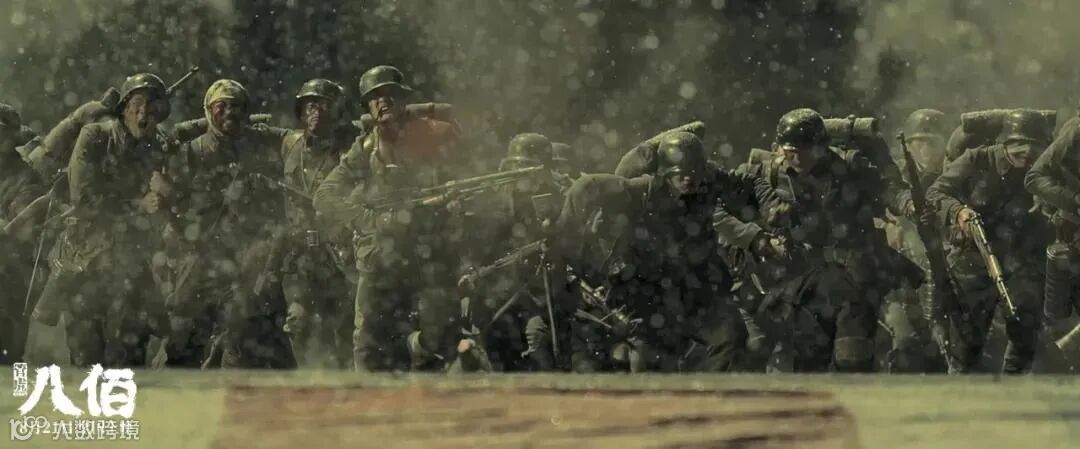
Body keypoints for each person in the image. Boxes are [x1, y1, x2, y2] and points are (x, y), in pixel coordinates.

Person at [556, 131, 783, 372]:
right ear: (665, 173)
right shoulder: (641, 191)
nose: (688, 179)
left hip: (696, 287)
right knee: (650, 359)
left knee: (730, 335)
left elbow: (749, 183)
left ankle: (711, 391)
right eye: (680, 173)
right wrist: (562, 237)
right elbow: (586, 187)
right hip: (648, 292)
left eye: (694, 172)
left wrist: (773, 205)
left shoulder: (710, 183)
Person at [740, 108, 922, 372]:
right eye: (790, 151)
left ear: (822, 147)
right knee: (808, 361)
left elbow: (888, 191)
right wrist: (759, 238)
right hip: (803, 280)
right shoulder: (767, 174)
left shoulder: (850, 166)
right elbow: (727, 208)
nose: (797, 158)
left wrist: (908, 205)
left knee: (852, 357)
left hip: (854, 274)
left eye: (805, 150)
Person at [313, 65, 461, 371]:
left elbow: (465, 180)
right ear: (368, 106)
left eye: (390, 94)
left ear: (403, 98)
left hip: (428, 253)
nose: (383, 101)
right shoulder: (365, 146)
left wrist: (450, 201)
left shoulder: (434, 134)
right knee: (369, 343)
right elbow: (325, 195)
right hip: (381, 257)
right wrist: (369, 220)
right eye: (375, 97)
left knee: (439, 339)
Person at [32, 73, 174, 367]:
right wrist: (139, 205)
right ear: (124, 108)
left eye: (152, 108)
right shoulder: (95, 136)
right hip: (86, 259)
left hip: (131, 262)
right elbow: (84, 201)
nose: (143, 114)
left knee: (131, 358)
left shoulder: (159, 146)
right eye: (137, 105)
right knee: (87, 356)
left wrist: (166, 192)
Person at [160, 79, 292, 369]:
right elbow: (169, 206)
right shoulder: (191, 153)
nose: (230, 112)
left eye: (237, 106)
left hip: (248, 259)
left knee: (253, 337)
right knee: (183, 340)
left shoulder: (260, 148)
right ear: (209, 111)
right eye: (222, 106)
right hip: (201, 258)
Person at [929, 108, 1051, 374]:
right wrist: (957, 211)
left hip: (1022, 259)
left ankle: (1014, 386)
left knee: (1024, 329)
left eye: (1034, 149)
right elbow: (935, 193)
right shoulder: (977, 159)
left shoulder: (1047, 167)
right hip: (973, 258)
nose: (1027, 155)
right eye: (1019, 147)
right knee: (965, 345)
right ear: (1005, 143)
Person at [278, 79, 359, 368]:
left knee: (344, 330)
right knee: (298, 322)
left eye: (325, 105)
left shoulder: (353, 147)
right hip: (300, 255)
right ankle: (311, 379)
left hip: (339, 253)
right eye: (311, 105)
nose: (317, 112)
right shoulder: (289, 143)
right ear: (300, 111)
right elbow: (239, 131)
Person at [881, 109, 950, 373]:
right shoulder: (895, 175)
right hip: (906, 275)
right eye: (917, 142)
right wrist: (888, 225)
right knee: (906, 341)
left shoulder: (955, 172)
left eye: (931, 141)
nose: (924, 149)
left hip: (947, 268)